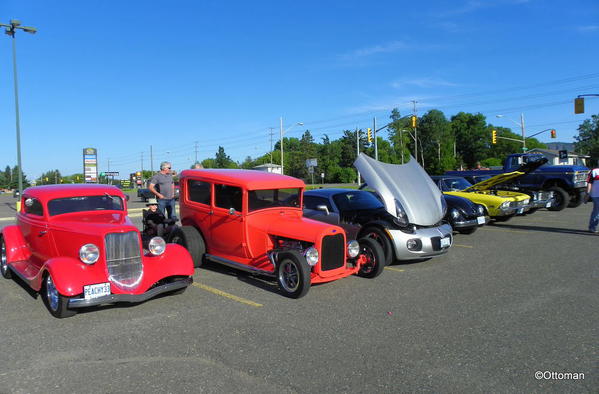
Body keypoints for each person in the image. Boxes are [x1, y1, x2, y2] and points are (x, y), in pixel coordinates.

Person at [586, 165, 599, 233]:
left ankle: (592, 226)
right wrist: (588, 193)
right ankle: (592, 227)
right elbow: (589, 183)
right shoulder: (594, 171)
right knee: (596, 212)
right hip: (596, 195)